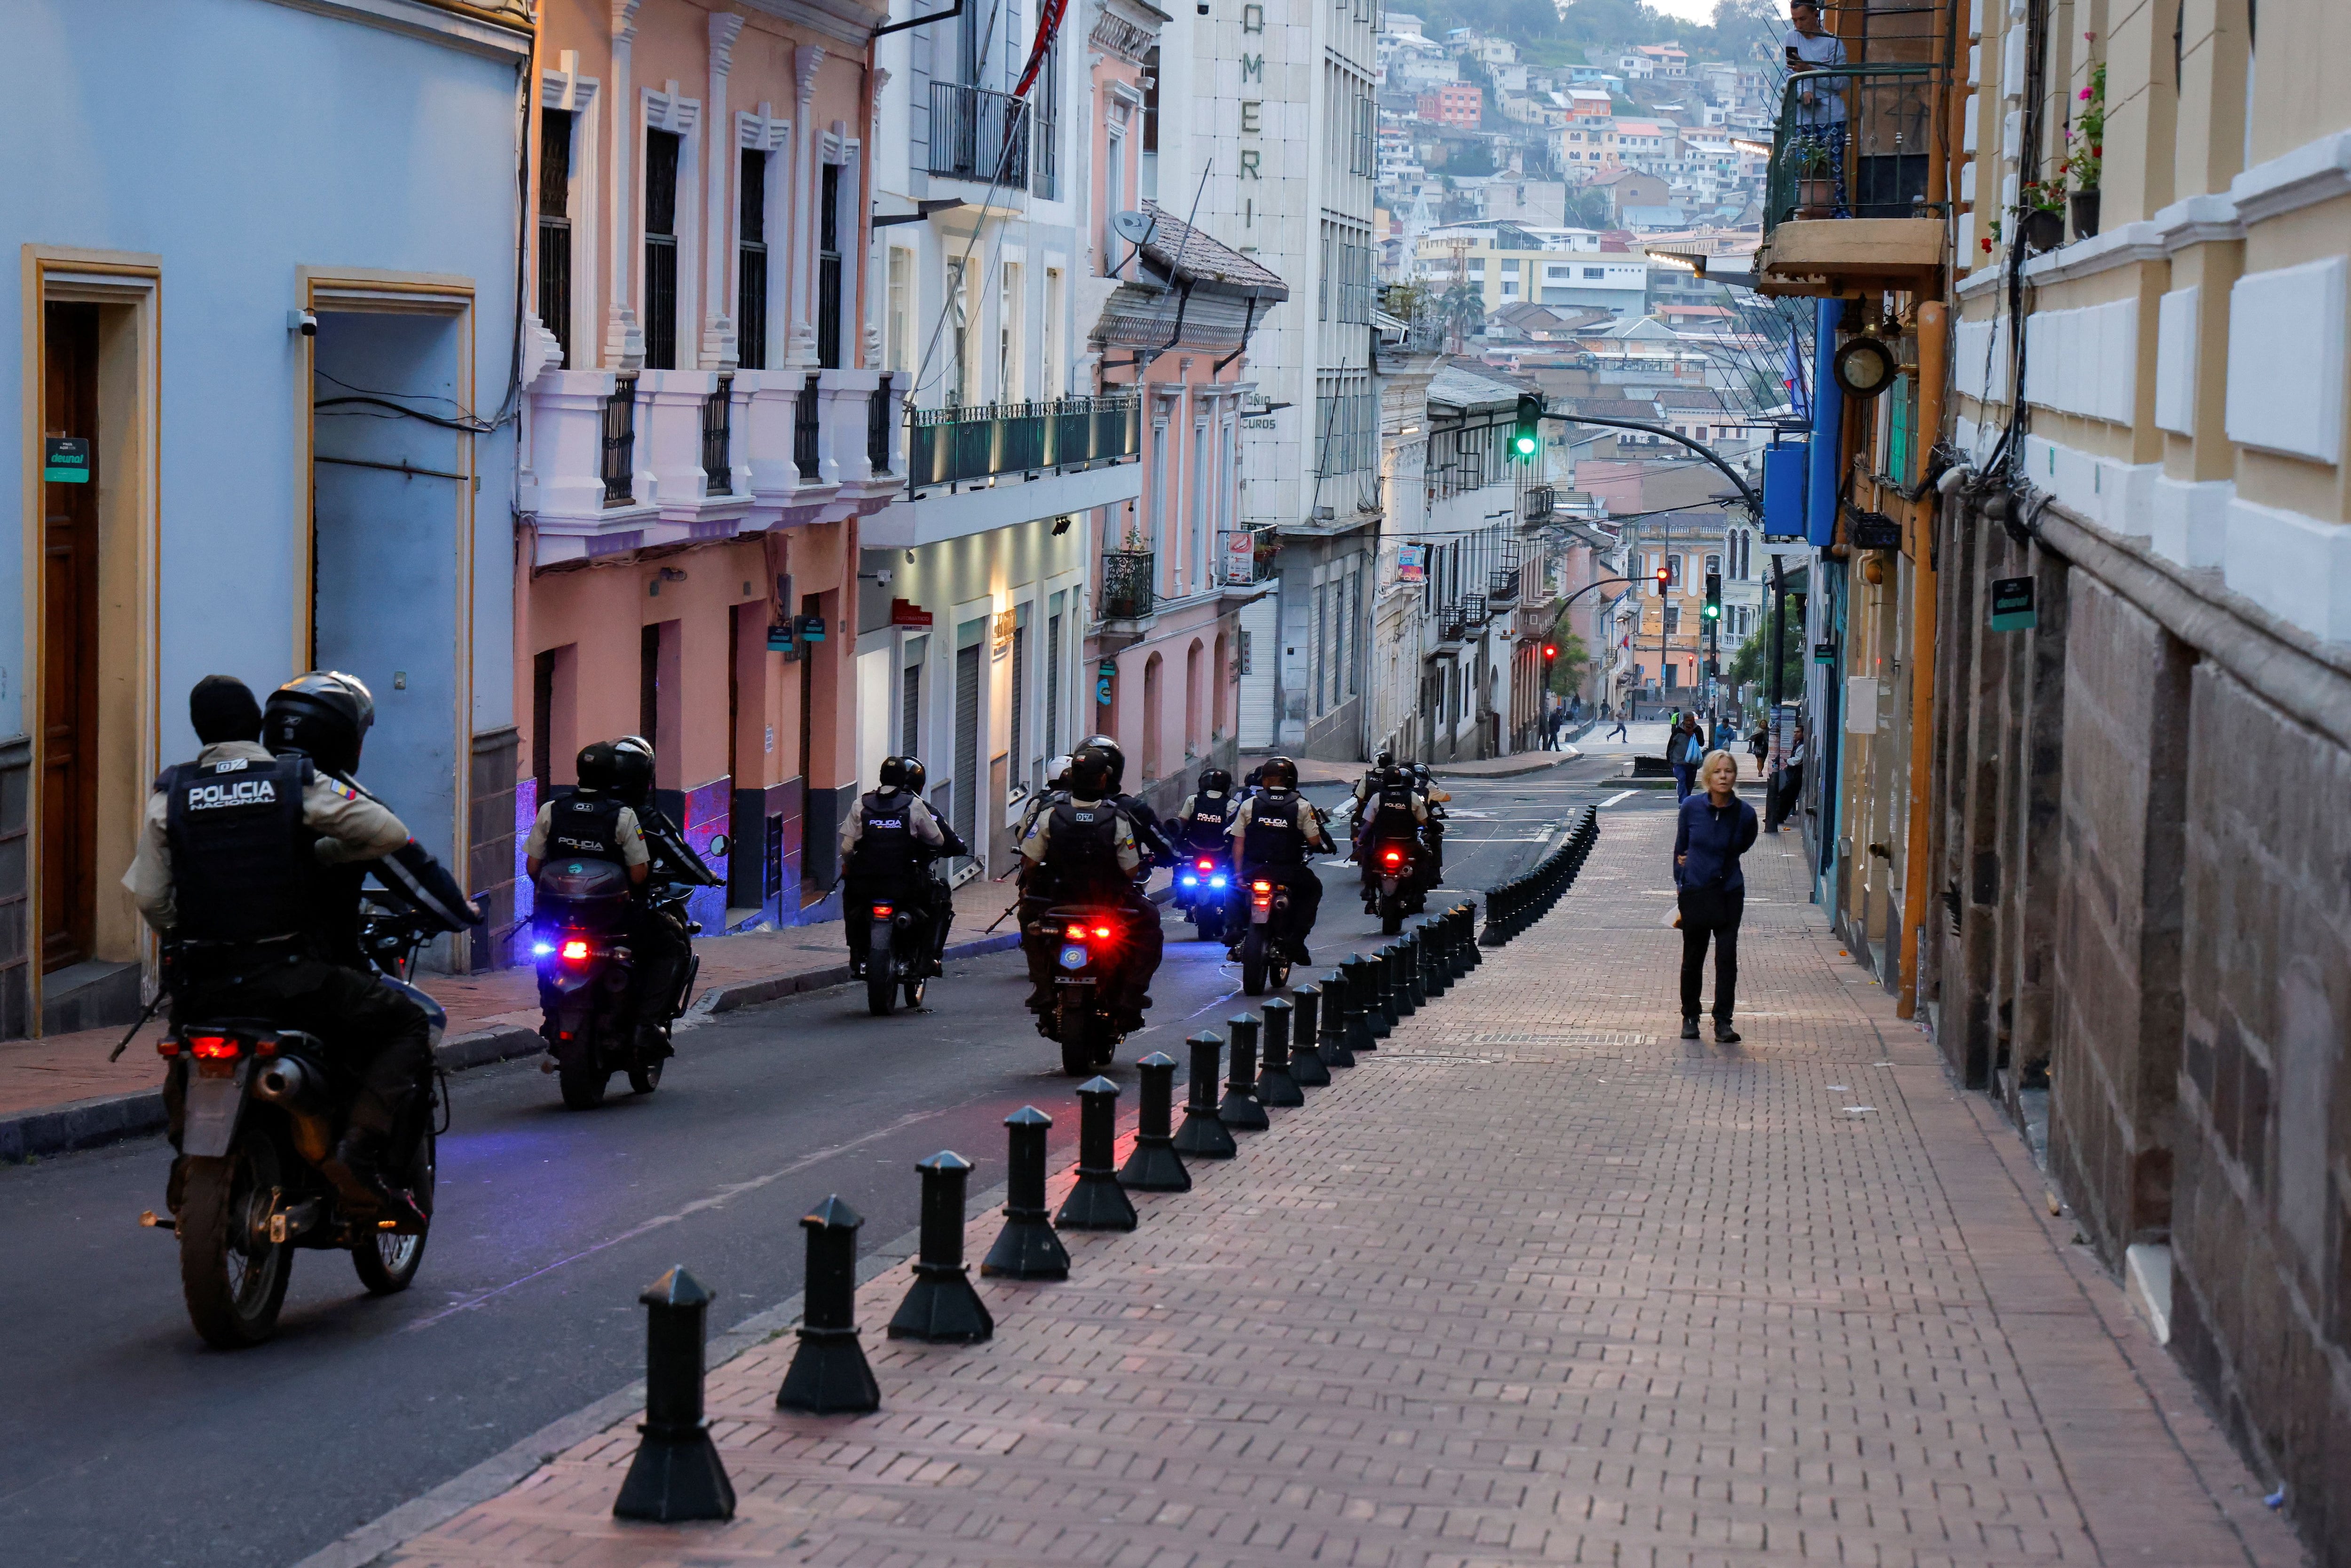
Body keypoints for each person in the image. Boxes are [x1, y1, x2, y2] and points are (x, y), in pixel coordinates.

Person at [126, 672, 477, 1229]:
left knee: (185, 1047)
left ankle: (186, 1161)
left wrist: (187, 935)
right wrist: (329, 852)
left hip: (205, 981)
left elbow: (149, 895)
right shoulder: (294, 784)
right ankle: (357, 1151)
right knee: (406, 1022)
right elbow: (388, 835)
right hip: (291, 977)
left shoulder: (173, 792)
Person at [1018, 745, 1164, 1030]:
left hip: (1055, 900)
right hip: (1108, 904)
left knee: (1028, 920)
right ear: (1103, 780)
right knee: (1151, 925)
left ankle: (1043, 987)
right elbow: (1131, 869)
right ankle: (1132, 991)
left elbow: (1030, 861)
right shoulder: (1118, 818)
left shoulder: (1050, 814)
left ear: (1071, 778)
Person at [839, 755, 969, 976]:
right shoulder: (915, 805)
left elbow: (846, 849)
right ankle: (926, 959)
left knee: (851, 905)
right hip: (904, 884)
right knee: (936, 903)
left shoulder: (860, 803)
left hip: (866, 884)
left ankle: (855, 952)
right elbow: (938, 840)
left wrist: (852, 866)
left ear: (881, 777)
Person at [1674, 749, 1758, 1043]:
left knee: (1726, 958)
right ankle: (1690, 1016)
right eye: (1718, 772)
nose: (1724, 777)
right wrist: (1682, 884)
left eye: (1729, 771)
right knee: (1693, 957)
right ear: (1707, 777)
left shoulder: (1745, 814)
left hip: (1728, 893)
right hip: (1696, 892)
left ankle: (1723, 1021)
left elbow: (1744, 845)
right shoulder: (1690, 808)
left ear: (1735, 776)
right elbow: (1681, 850)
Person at [1225, 755, 1330, 962]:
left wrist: (1238, 875)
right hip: (1289, 872)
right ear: (1289, 781)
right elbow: (1315, 840)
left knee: (1230, 887)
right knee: (1313, 890)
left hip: (1253, 869)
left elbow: (1238, 844)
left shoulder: (1249, 804)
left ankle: (1235, 929)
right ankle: (1297, 940)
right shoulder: (1301, 805)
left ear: (1264, 780)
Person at [1784, 0, 1851, 216]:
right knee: (1802, 171)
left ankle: (1837, 214)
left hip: (1832, 116)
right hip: (1804, 118)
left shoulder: (1833, 44)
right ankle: (1804, 213)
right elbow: (1791, 74)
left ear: (1816, 15)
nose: (1798, 25)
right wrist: (1803, 90)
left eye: (1802, 19)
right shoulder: (1792, 38)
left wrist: (1811, 70)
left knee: (1832, 170)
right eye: (1795, 20)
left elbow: (1841, 83)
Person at [1356, 764, 1431, 912]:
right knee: (1424, 857)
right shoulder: (1412, 796)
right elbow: (1423, 821)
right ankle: (1418, 894)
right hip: (1407, 845)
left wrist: (1361, 839)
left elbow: (1368, 823)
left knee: (1367, 857)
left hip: (1383, 845)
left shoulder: (1378, 797)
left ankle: (1369, 891)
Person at [1171, 766, 1239, 859]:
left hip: (1194, 847)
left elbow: (1184, 821)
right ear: (1227, 787)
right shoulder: (1233, 805)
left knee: (1179, 863)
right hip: (1219, 850)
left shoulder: (1193, 800)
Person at [1669, 715, 1706, 803]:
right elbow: (1671, 745)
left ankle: (1687, 800)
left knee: (1689, 784)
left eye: (1691, 720)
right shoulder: (1678, 731)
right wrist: (1670, 759)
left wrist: (1693, 734)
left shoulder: (1698, 730)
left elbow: (1702, 743)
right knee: (1682, 779)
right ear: (1684, 721)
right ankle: (1683, 801)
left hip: (1692, 763)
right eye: (1687, 720)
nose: (1689, 723)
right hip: (1679, 762)